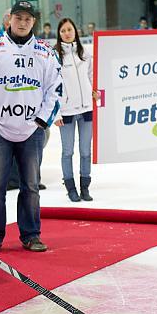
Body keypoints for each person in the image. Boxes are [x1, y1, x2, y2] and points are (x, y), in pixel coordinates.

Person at [0, 0, 62, 253]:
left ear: (33, 22)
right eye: (18, 17)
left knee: (31, 186)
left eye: (28, 18)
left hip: (31, 131)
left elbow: (55, 90)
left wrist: (42, 122)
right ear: (9, 19)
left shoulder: (45, 52)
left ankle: (31, 234)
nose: (22, 22)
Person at [54, 18, 96, 203]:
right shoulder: (55, 55)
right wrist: (56, 113)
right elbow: (51, 85)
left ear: (75, 31)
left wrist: (94, 92)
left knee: (86, 151)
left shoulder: (85, 53)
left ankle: (85, 187)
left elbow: (92, 75)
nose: (67, 33)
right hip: (67, 111)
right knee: (67, 151)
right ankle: (71, 188)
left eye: (69, 29)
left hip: (87, 108)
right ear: (59, 34)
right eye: (63, 31)